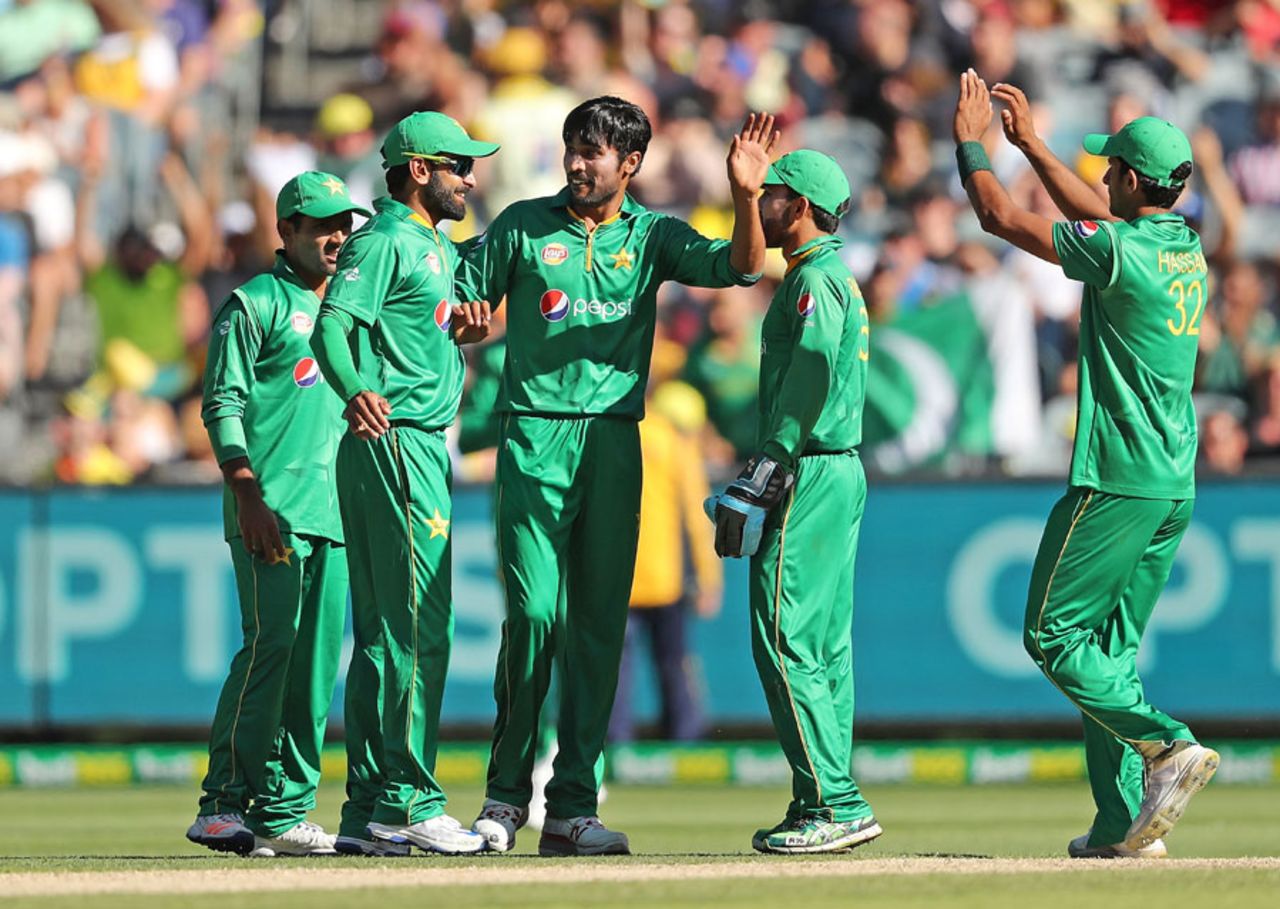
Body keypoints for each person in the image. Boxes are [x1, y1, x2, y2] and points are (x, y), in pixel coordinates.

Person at [462, 96, 773, 856]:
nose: (576, 162)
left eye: (593, 151)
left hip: (613, 438)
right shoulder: (523, 225)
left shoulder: (654, 235)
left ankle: (572, 807)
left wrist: (745, 196)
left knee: (600, 628)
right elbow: (460, 297)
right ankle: (505, 798)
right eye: (572, 147)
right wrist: (462, 317)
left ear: (630, 164)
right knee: (534, 617)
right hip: (534, 432)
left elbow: (740, 267)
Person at [953, 69, 1219, 858]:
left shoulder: (1122, 253)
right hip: (1172, 482)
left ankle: (1165, 743)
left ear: (1132, 180)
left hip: (1117, 476)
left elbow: (999, 216)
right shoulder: (1183, 247)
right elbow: (1101, 219)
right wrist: (1033, 144)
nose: (1101, 178)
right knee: (1107, 653)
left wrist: (972, 143)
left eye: (1111, 170)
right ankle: (1121, 824)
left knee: (1051, 635)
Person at [309, 111, 497, 856]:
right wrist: (355, 387)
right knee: (421, 626)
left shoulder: (433, 246)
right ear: (419, 170)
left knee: (387, 635)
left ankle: (368, 808)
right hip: (399, 440)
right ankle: (410, 799)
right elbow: (332, 325)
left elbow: (410, 334)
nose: (470, 179)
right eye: (459, 165)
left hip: (410, 440)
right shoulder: (386, 239)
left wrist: (460, 336)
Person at [186, 171, 370, 857]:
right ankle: (220, 804)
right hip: (271, 510)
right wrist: (246, 492)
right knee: (271, 648)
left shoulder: (351, 308)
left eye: (343, 224)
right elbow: (221, 402)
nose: (336, 236)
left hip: (335, 513)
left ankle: (282, 811)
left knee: (315, 667)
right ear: (285, 231)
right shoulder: (255, 302)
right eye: (321, 226)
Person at [706, 149, 880, 855]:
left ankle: (834, 801)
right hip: (835, 468)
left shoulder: (813, 279)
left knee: (786, 636)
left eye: (770, 194)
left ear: (799, 206)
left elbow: (811, 370)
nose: (761, 204)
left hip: (808, 467)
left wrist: (771, 459)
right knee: (824, 646)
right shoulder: (831, 274)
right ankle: (824, 795)